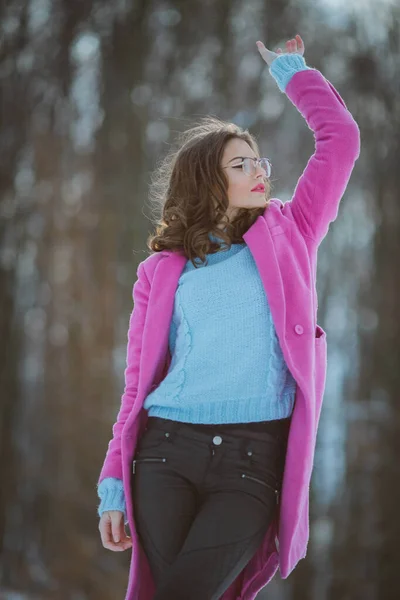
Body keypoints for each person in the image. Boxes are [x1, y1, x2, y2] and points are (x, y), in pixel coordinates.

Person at [97, 35, 360, 600]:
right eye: (242, 164)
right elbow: (136, 384)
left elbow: (340, 141)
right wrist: (114, 481)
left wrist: (294, 73)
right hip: (166, 451)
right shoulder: (162, 271)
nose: (260, 171)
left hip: (252, 457)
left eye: (258, 159)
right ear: (208, 181)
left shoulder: (291, 231)